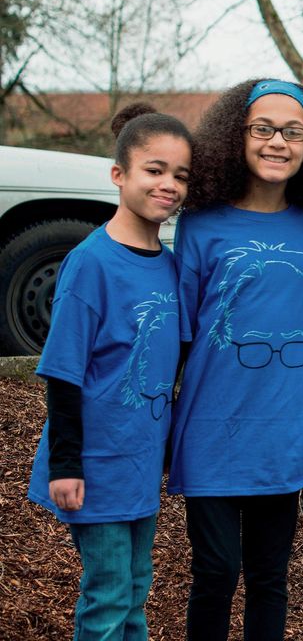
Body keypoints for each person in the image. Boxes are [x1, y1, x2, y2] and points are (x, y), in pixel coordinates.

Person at [169, 79, 303, 640]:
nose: (278, 142)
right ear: (235, 136)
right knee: (216, 572)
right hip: (210, 430)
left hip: (284, 432)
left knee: (271, 578)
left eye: (293, 132)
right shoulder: (199, 224)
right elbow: (180, 332)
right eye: (263, 129)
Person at [27, 104, 192, 639]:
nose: (169, 184)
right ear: (118, 173)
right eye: (155, 169)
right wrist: (65, 465)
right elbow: (63, 372)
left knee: (136, 589)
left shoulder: (169, 265)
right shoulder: (91, 263)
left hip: (139, 461)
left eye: (180, 174)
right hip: (94, 465)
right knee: (108, 594)